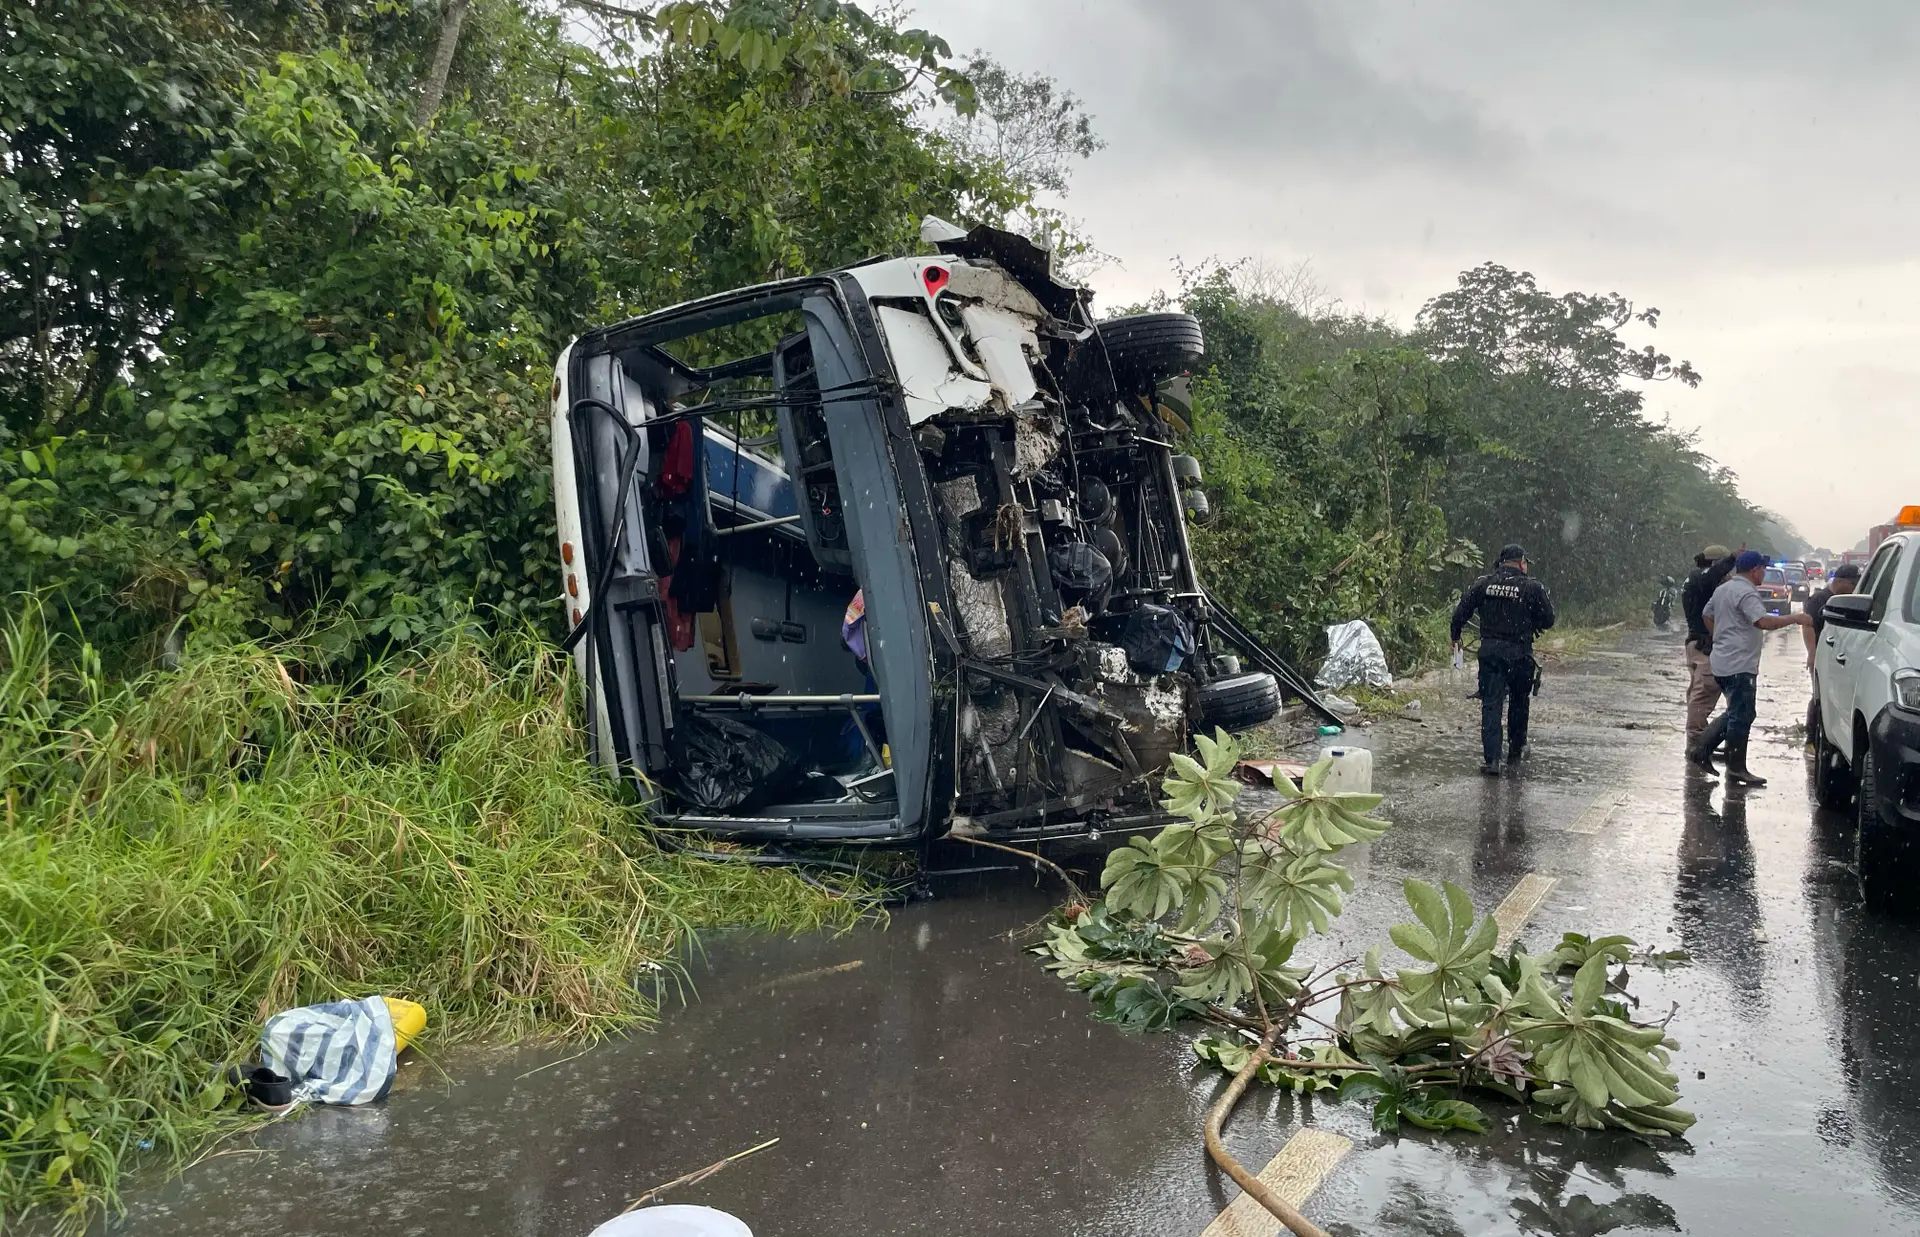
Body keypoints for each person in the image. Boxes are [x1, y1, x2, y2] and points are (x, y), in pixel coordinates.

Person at [1689, 550, 1812, 785]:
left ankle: (1703, 749)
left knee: (1740, 712)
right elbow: (1763, 621)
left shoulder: (1723, 589)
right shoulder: (1747, 593)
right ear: (1755, 570)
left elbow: (1707, 614)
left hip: (1723, 661)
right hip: (1739, 664)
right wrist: (1795, 618)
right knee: (1741, 714)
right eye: (1763, 569)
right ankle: (1733, 767)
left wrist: (1720, 637)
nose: (1764, 573)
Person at [1451, 543, 1556, 776]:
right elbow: (1549, 619)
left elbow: (1460, 613)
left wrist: (1455, 636)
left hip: (1491, 654)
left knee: (1491, 704)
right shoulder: (1532, 588)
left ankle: (1492, 761)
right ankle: (1515, 753)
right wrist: (1531, 621)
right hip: (1520, 655)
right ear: (1521, 563)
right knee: (1519, 703)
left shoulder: (1484, 584)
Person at [1680, 544, 1738, 748]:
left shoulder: (1699, 581)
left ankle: (1699, 742)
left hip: (1699, 644)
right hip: (1703, 646)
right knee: (1703, 693)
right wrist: (1731, 559)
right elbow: (1711, 576)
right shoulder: (1700, 578)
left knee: (1700, 692)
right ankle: (1697, 744)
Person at [1802, 562, 1861, 744]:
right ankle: (1811, 738)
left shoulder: (1852, 599)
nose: (1854, 588)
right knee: (1819, 695)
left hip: (1843, 655)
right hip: (1823, 653)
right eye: (1852, 584)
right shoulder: (1819, 599)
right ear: (1841, 581)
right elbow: (1807, 625)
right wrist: (1812, 653)